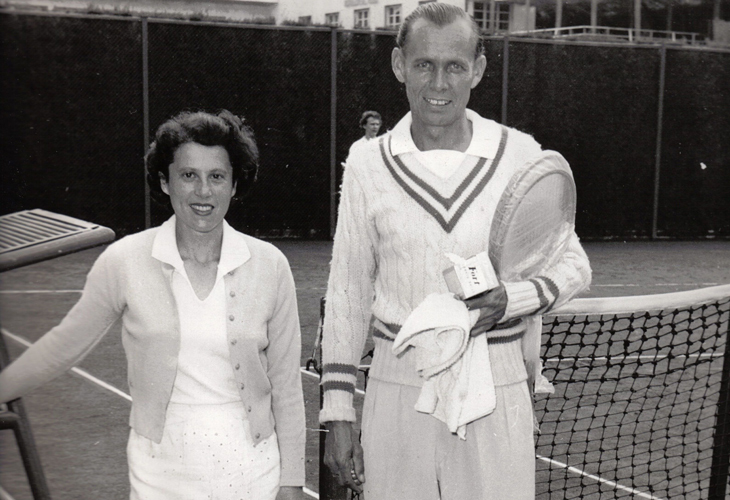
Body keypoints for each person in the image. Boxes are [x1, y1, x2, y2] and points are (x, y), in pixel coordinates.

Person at [319, 4, 591, 500]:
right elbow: (348, 290)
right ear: (400, 65)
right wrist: (337, 411)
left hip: (498, 378)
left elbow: (573, 265)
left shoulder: (521, 153)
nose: (438, 83)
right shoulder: (366, 162)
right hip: (397, 381)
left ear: (478, 70)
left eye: (455, 66)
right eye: (424, 64)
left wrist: (512, 299)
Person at [0, 110, 306, 500]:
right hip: (160, 473)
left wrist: (292, 481)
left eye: (217, 176)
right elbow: (62, 346)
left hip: (251, 471)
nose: (203, 191)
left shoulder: (270, 265)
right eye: (188, 175)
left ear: (234, 185)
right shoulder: (125, 260)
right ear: (165, 181)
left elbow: (286, 385)